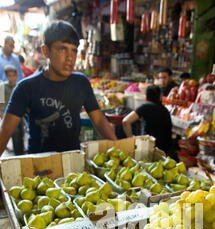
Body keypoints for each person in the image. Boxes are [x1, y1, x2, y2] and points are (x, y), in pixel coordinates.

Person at [0, 20, 116, 157]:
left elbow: (98, 120)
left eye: (74, 50)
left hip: (73, 164)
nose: (70, 58)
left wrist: (118, 146)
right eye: (62, 49)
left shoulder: (81, 83)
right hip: (38, 167)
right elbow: (5, 131)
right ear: (46, 51)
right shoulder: (26, 88)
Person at [122, 84, 172, 153]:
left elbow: (125, 121)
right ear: (160, 97)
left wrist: (131, 138)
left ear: (146, 97)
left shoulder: (145, 107)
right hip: (164, 149)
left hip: (149, 147)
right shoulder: (165, 110)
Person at [0, 65, 24, 155]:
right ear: (6, 76)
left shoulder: (19, 86)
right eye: (9, 75)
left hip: (19, 115)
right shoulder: (2, 87)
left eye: (13, 75)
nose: (12, 78)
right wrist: (2, 116)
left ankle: (20, 153)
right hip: (8, 115)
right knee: (15, 135)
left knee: (20, 135)